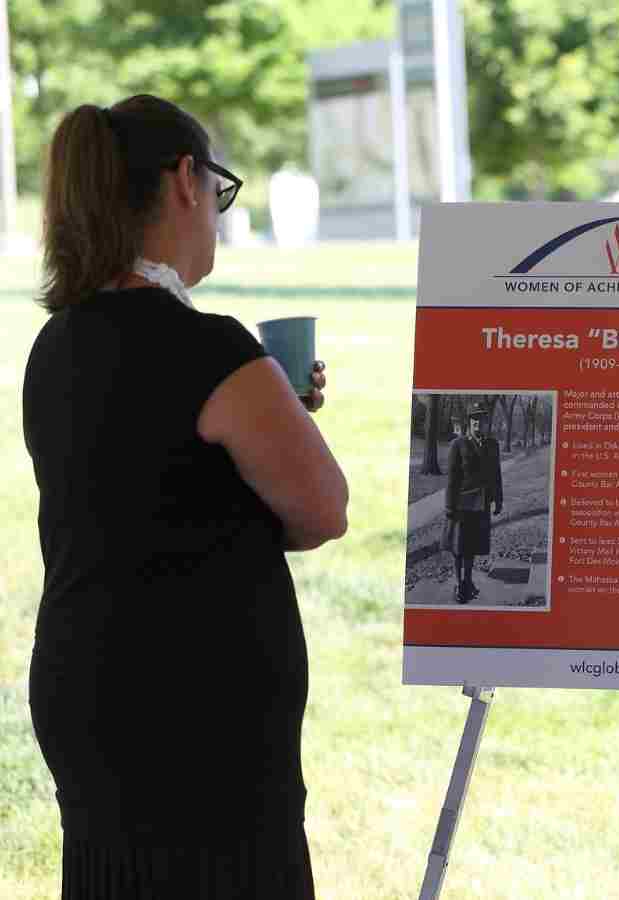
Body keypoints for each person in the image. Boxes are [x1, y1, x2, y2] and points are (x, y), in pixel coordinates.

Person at [23, 95, 349, 899]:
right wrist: (273, 406)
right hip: (197, 707)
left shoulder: (58, 342)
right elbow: (322, 510)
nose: (215, 214)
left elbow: (148, 491)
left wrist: (272, 413)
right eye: (219, 191)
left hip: (88, 687)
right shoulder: (206, 347)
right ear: (182, 182)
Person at [444, 403, 504, 603]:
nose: (478, 422)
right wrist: (449, 507)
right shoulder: (458, 444)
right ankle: (459, 583)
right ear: (469, 422)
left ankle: (468, 581)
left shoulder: (492, 445)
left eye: (482, 419)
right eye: (474, 419)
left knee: (472, 546)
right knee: (459, 547)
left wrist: (499, 499)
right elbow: (452, 479)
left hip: (482, 504)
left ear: (487, 422)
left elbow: (496, 474)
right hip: (461, 506)